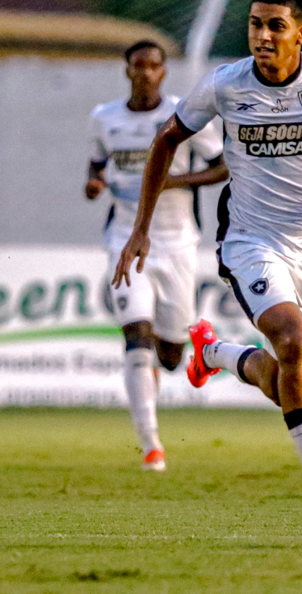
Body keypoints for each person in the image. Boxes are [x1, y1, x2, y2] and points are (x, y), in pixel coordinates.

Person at [113, 0, 302, 533]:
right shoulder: (226, 85)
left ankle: (218, 354)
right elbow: (165, 141)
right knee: (292, 342)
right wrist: (140, 229)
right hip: (250, 239)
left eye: (276, 26)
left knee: (287, 379)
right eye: (256, 24)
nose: (263, 35)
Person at [88, 40, 227, 471]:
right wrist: (94, 183)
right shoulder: (104, 117)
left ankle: (166, 363)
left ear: (163, 72)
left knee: (170, 357)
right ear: (127, 70)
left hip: (177, 242)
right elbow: (97, 164)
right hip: (125, 239)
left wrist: (173, 181)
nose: (146, 72)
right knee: (136, 336)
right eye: (139, 65)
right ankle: (151, 445)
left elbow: (224, 166)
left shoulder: (184, 115)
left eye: (154, 66)